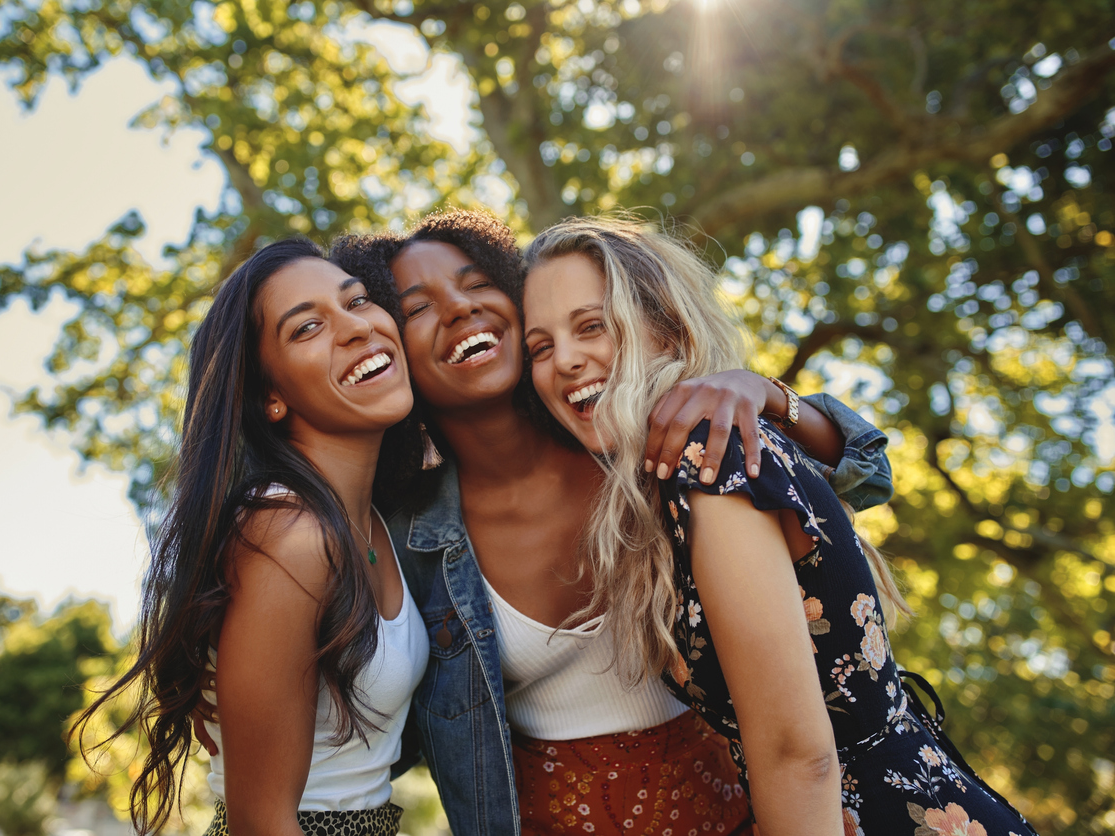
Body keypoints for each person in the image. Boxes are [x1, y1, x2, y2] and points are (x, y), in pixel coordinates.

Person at [327, 210, 896, 836]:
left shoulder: (636, 434)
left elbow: (861, 478)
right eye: (416, 308)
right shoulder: (403, 537)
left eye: (476, 283)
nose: (460, 308)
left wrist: (762, 391)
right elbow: (383, 726)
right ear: (390, 347)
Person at [520, 216, 1038, 836]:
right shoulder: (670, 476)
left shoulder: (711, 458)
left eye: (591, 326)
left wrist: (767, 392)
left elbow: (800, 755)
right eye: (541, 347)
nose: (568, 360)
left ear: (665, 328)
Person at [75, 238, 427, 836]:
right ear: (271, 397)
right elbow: (261, 823)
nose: (354, 327)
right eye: (307, 327)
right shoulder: (287, 535)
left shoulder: (376, 520)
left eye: (359, 301)